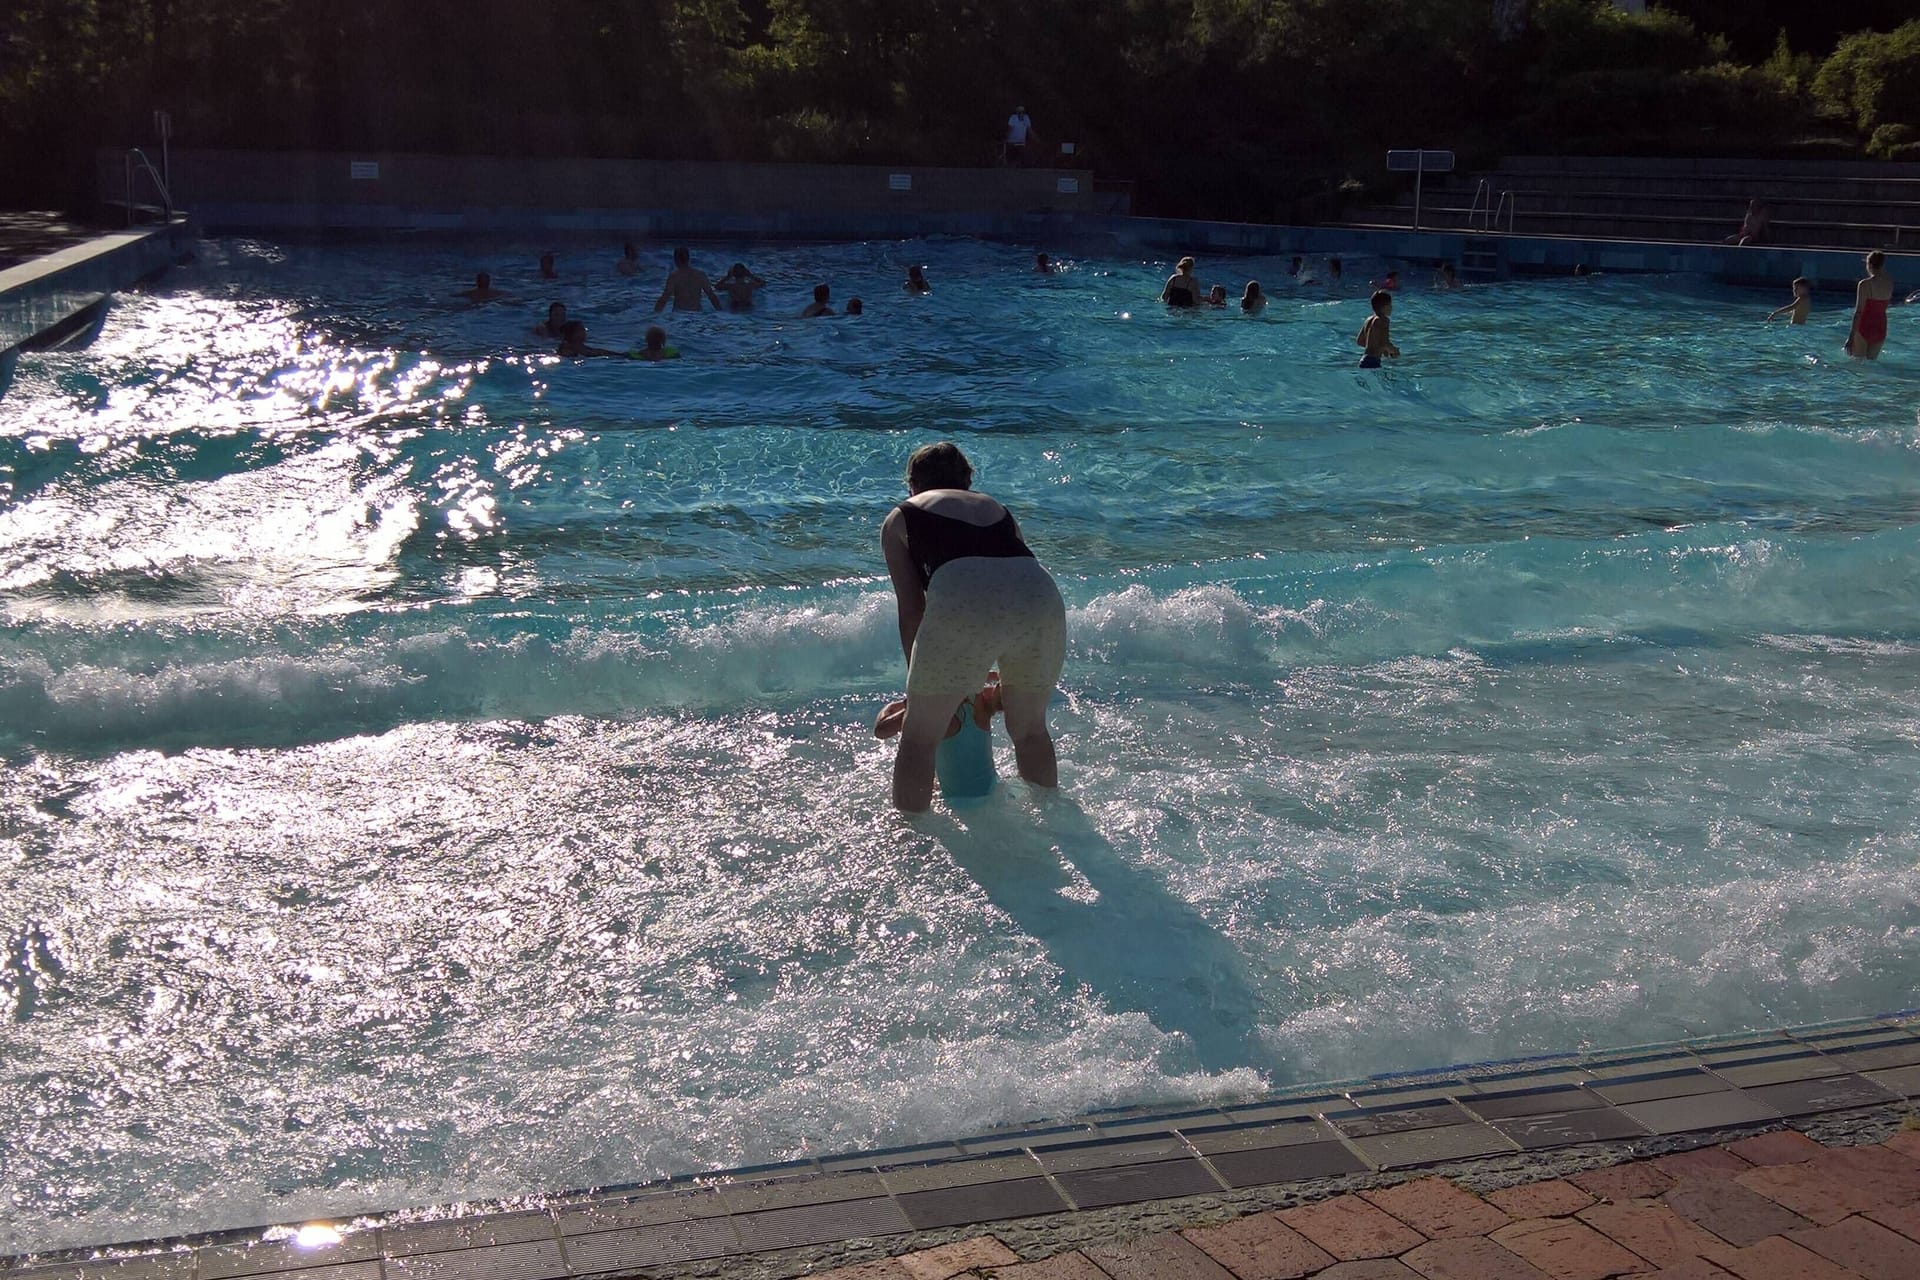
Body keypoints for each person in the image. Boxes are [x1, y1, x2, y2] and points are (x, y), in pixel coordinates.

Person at [880, 441, 1066, 813]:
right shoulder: (997, 510)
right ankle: (1055, 818)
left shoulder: (901, 516)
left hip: (964, 599)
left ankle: (913, 843)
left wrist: (918, 685)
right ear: (968, 480)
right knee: (1030, 731)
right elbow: (1007, 582)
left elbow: (913, 608)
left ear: (912, 484)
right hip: (1041, 597)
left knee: (919, 739)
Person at [1845, 250, 1893, 360]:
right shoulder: (1889, 282)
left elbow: (1859, 312)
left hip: (1864, 326)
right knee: (1871, 365)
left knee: (1858, 364)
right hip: (1880, 327)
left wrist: (1851, 337)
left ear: (1870, 265)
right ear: (1882, 265)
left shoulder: (1865, 284)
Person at [655, 247, 723, 313]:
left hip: (679, 314)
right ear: (688, 259)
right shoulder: (700, 275)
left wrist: (655, 314)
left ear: (675, 259)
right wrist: (720, 313)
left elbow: (664, 298)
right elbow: (712, 296)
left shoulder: (674, 276)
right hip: (697, 314)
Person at [1356, 290, 1399, 368]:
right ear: (1385, 307)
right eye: (1390, 305)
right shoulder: (1384, 320)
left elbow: (1360, 341)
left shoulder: (1368, 320)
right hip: (1373, 362)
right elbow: (1385, 342)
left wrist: (1377, 347)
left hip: (1363, 361)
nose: (1391, 307)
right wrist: (1394, 351)